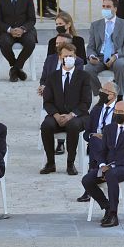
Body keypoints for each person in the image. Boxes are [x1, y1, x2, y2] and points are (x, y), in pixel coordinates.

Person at [81, 101, 124, 227]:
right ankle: (107, 207)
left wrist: (112, 166)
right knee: (87, 180)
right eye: (115, 111)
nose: (117, 114)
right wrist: (102, 164)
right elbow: (102, 151)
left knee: (111, 174)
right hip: (108, 167)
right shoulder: (109, 128)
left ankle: (113, 216)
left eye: (120, 112)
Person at [40, 43, 92, 175]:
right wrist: (56, 115)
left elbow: (86, 102)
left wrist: (71, 115)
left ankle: (70, 163)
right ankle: (50, 163)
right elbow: (47, 102)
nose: (69, 58)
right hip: (57, 114)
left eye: (71, 56)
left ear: (75, 57)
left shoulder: (84, 76)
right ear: (60, 57)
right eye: (66, 56)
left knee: (73, 125)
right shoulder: (52, 77)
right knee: (46, 125)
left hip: (78, 116)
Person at [77, 81, 120, 203]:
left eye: (105, 91)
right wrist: (93, 135)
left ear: (113, 95)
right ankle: (99, 173)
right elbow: (86, 133)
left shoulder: (121, 110)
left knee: (96, 141)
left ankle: (91, 181)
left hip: (113, 148)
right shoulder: (96, 110)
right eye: (101, 90)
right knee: (95, 140)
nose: (102, 92)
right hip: (95, 145)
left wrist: (106, 137)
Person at [84, 0, 124, 98]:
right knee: (88, 68)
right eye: (103, 6)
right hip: (100, 57)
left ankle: (119, 96)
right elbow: (90, 46)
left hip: (117, 57)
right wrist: (92, 56)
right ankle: (101, 94)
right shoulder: (95, 25)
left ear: (115, 8)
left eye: (108, 7)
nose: (105, 9)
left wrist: (115, 56)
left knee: (120, 65)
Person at [0, 0, 37, 82]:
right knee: (4, 43)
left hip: (25, 31)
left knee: (31, 42)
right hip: (6, 31)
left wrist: (22, 29)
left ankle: (14, 69)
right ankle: (16, 67)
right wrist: (10, 30)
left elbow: (32, 19)